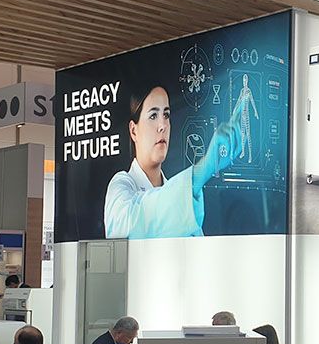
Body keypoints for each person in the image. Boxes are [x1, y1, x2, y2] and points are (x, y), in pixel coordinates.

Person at [103, 85, 247, 239]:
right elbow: (129, 226)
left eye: (166, 115)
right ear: (133, 131)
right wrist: (205, 168)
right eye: (153, 116)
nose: (163, 125)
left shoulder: (181, 197)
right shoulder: (122, 185)